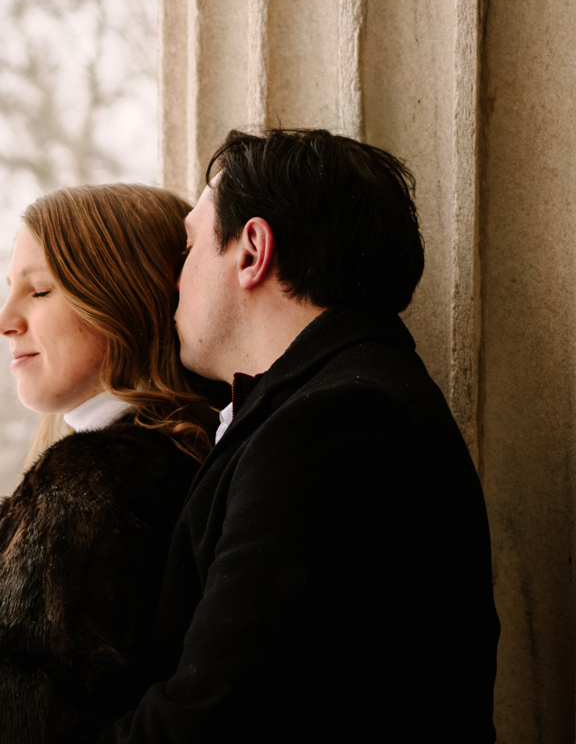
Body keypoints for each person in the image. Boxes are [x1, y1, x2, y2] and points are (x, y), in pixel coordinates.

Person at [102, 129, 500, 743]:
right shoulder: (336, 402)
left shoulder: (339, 422)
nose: (171, 283)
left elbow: (218, 719)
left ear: (252, 251)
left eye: (186, 250)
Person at [0, 184, 217, 743]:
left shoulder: (98, 485)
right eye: (10, 290)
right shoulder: (173, 458)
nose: (4, 321)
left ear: (124, 299)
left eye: (39, 292)